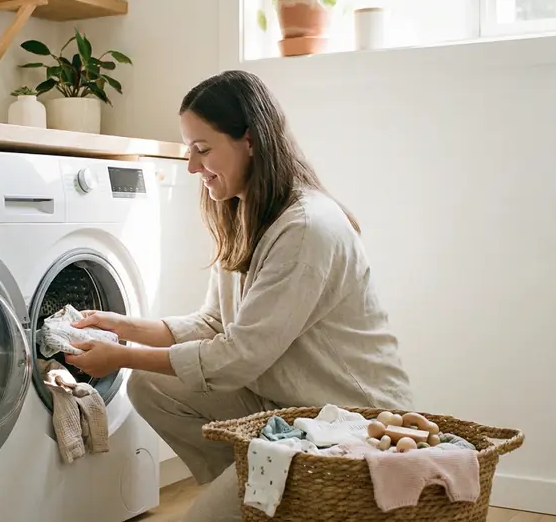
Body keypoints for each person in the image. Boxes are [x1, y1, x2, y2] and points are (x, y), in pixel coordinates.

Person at [63, 70, 413, 521]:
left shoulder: (306, 228)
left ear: (250, 140)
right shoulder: (247, 209)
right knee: (152, 385)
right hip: (287, 407)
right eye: (189, 150)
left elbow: (239, 357)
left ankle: (258, 499)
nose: (192, 166)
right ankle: (259, 496)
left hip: (350, 421)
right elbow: (214, 324)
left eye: (203, 150)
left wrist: (119, 357)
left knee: (200, 519)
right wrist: (119, 327)